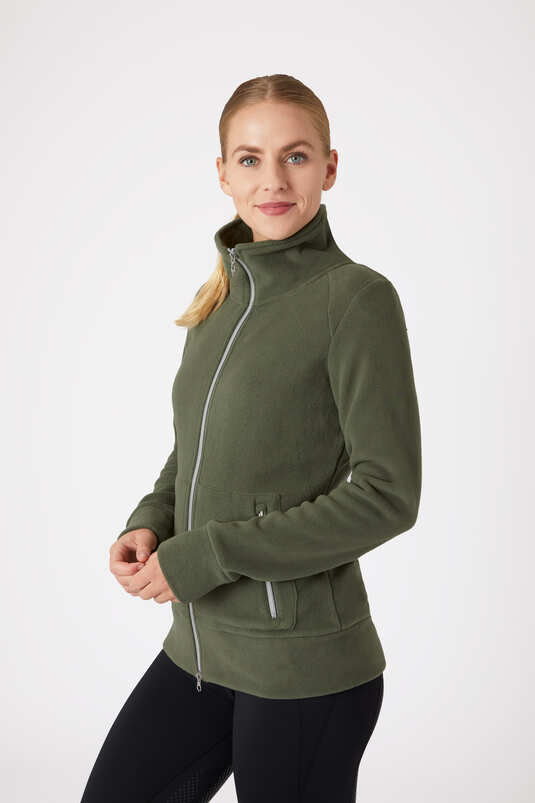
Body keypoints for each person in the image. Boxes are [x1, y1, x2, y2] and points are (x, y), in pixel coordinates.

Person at [81, 73, 421, 802]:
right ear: (222, 173)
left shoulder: (355, 299)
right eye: (249, 158)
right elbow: (195, 449)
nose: (273, 179)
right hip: (201, 650)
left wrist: (208, 553)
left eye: (295, 156)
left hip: (304, 671)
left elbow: (387, 495)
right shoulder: (219, 301)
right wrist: (152, 519)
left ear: (329, 167)